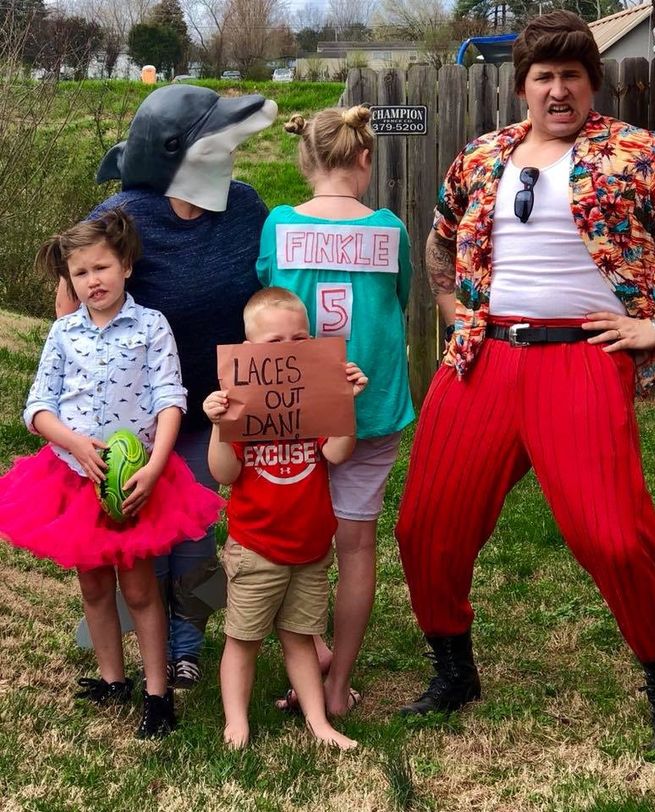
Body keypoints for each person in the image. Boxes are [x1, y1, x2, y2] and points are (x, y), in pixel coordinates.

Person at [394, 10, 655, 758]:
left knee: (612, 539)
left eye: (571, 76)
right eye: (543, 77)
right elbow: (440, 233)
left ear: (592, 83)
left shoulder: (635, 151)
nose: (557, 90)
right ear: (523, 87)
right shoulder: (483, 155)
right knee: (426, 528)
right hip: (484, 359)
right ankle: (454, 671)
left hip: (581, 358)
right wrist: (454, 311)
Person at [55, 84, 278, 688]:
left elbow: (273, 283)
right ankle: (142, 633)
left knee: (197, 536)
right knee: (143, 532)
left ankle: (187, 637)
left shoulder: (247, 205)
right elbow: (75, 285)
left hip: (218, 405)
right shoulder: (123, 214)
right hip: (139, 417)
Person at [0, 210, 224, 737]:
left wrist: (156, 464)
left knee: (141, 589)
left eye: (101, 267)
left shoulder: (151, 326)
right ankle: (112, 678)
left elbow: (172, 399)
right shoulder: (63, 334)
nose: (92, 281)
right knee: (94, 585)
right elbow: (37, 407)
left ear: (125, 265)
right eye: (80, 273)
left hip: (134, 479)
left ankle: (156, 694)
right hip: (73, 479)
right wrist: (73, 442)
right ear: (69, 280)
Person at [255, 105, 415, 715]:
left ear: (306, 160)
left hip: (291, 410)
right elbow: (400, 297)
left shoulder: (278, 225)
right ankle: (338, 684)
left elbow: (265, 293)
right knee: (355, 546)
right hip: (370, 404)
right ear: (364, 158)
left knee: (291, 537)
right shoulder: (390, 229)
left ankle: (311, 649)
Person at [203, 287, 367, 749]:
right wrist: (219, 426)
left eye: (300, 337)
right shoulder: (240, 402)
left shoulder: (313, 398)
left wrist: (345, 401)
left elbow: (336, 453)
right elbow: (224, 473)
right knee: (243, 638)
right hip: (256, 547)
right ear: (250, 352)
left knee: (301, 637)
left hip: (311, 547)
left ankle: (318, 722)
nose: (290, 349)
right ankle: (236, 722)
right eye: (276, 344)